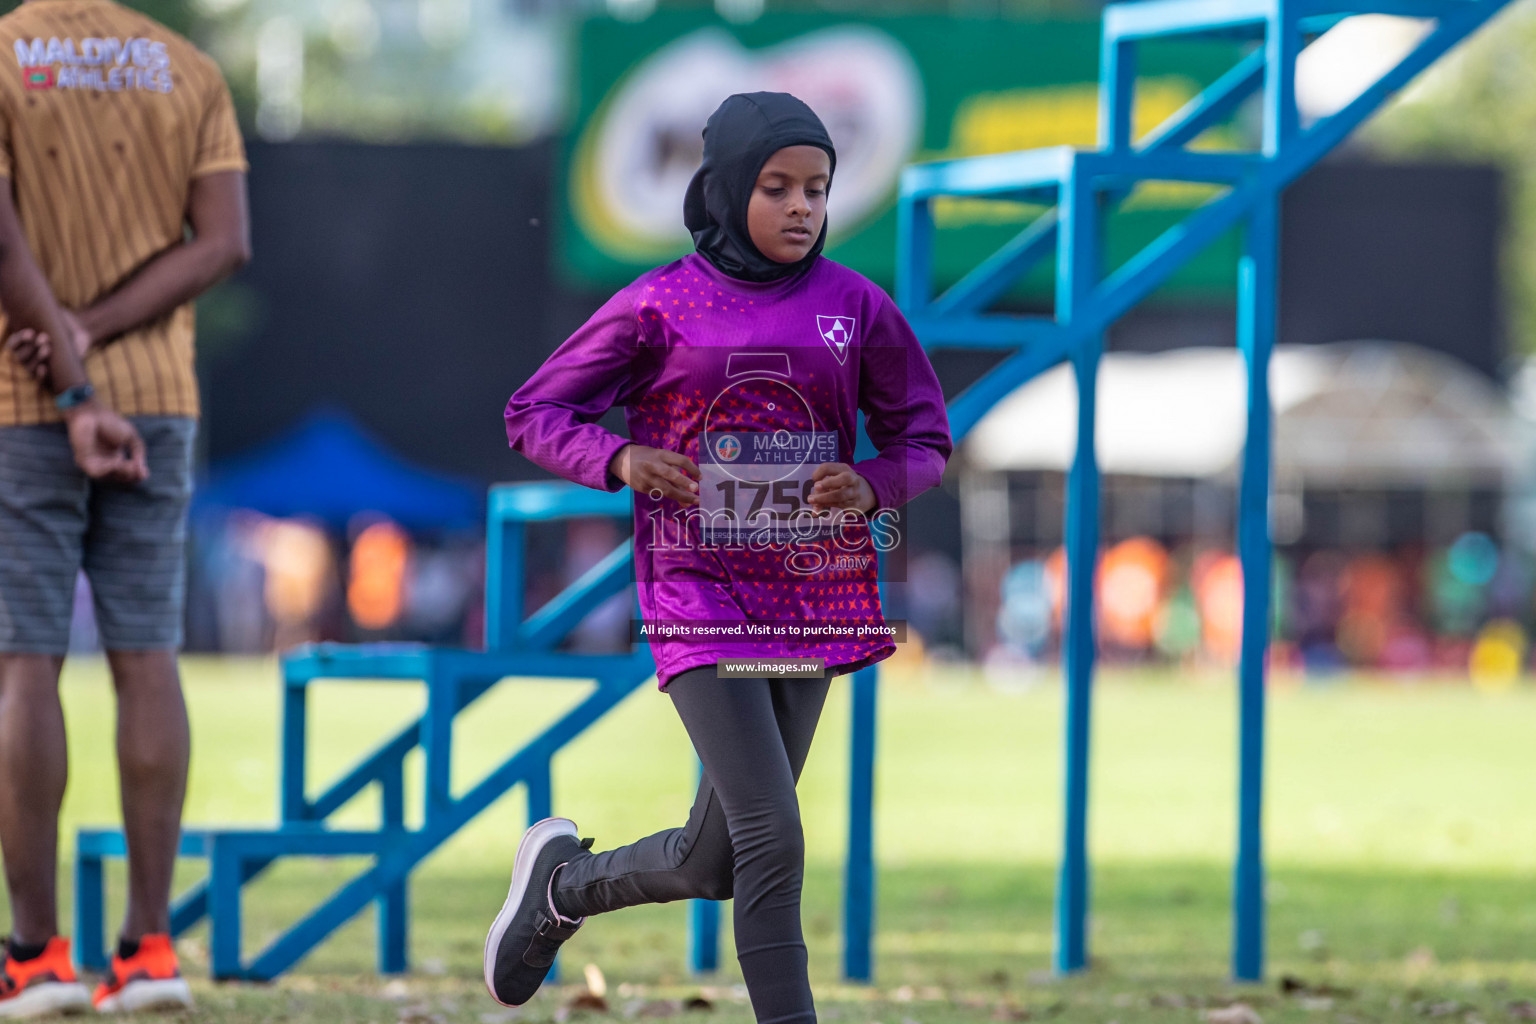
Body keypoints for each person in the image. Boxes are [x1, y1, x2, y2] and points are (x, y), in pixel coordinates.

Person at [488, 93, 952, 1024]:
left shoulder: (856, 306)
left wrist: (870, 485)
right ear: (726, 187)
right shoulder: (658, 304)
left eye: (816, 188)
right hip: (696, 595)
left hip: (815, 597)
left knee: (720, 858)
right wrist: (617, 457)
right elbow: (533, 413)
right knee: (773, 836)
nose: (800, 207)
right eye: (776, 187)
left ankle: (563, 890)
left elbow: (925, 438)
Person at [0, 0, 250, 1015]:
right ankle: (149, 950)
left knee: (26, 657)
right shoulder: (187, 67)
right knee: (147, 653)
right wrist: (99, 333)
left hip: (20, 396)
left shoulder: (5, 55)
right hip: (160, 397)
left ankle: (34, 955)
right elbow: (225, 243)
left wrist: (64, 352)